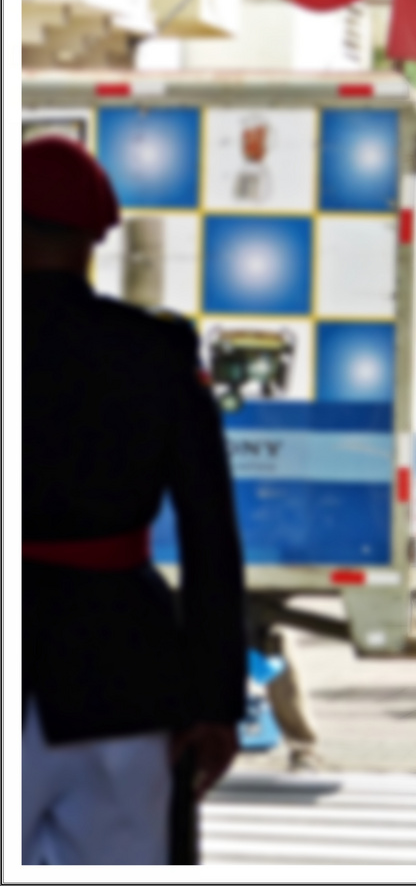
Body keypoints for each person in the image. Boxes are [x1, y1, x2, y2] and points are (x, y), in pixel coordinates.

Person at [22, 136, 246, 864]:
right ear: (95, 236)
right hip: (120, 668)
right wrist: (215, 702)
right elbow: (213, 537)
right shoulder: (156, 351)